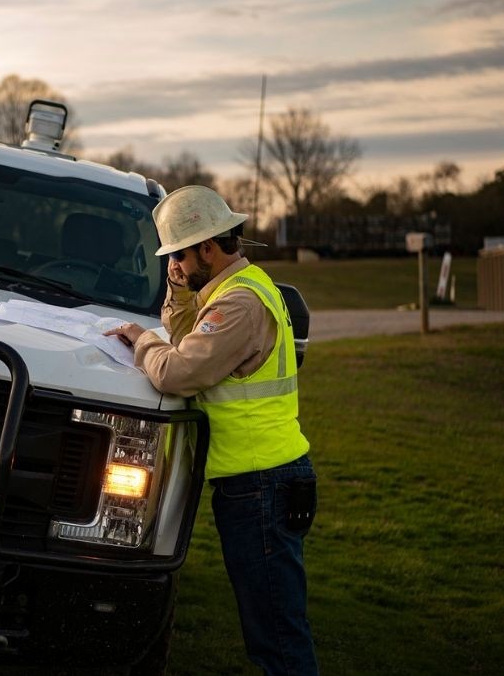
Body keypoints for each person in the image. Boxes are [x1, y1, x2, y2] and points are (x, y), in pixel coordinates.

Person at [104, 185, 318, 675]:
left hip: (259, 484)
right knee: (272, 630)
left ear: (208, 246)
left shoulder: (238, 304)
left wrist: (142, 342)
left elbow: (179, 370)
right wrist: (179, 290)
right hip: (260, 479)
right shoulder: (230, 291)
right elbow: (189, 341)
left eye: (178, 254)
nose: (173, 264)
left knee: (278, 639)